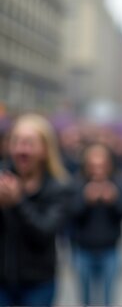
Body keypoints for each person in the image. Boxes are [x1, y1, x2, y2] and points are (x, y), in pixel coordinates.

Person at [0, 114, 72, 306]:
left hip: (38, 284)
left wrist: (18, 202)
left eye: (29, 143)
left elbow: (44, 232)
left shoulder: (59, 187)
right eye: (16, 142)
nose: (21, 148)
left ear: (45, 150)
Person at [71, 143, 122, 306]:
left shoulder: (117, 183)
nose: (97, 170)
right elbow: (70, 215)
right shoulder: (77, 183)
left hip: (110, 249)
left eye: (101, 165)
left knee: (109, 299)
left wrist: (114, 201)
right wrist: (85, 200)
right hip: (83, 249)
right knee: (85, 299)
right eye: (93, 165)